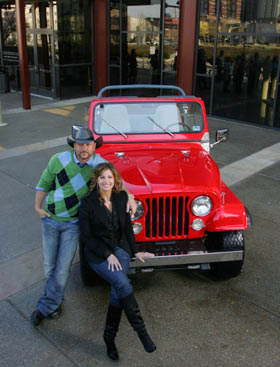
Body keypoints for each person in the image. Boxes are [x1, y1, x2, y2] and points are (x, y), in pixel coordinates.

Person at [31, 125, 136, 326]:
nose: (84, 149)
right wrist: (37, 207)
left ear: (94, 146)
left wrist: (130, 197)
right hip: (51, 219)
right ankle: (54, 301)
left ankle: (45, 307)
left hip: (73, 224)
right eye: (80, 144)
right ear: (74, 145)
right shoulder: (58, 159)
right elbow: (43, 184)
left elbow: (118, 182)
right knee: (49, 266)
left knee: (62, 268)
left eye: (88, 144)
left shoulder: (99, 165)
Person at [79, 162, 156, 360]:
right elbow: (87, 238)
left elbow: (127, 229)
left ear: (115, 181)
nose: (106, 181)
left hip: (120, 251)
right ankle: (142, 332)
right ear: (96, 180)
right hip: (98, 255)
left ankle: (109, 338)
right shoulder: (87, 203)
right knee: (122, 283)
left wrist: (135, 252)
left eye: (110, 178)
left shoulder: (121, 197)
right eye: (102, 177)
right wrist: (107, 254)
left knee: (117, 290)